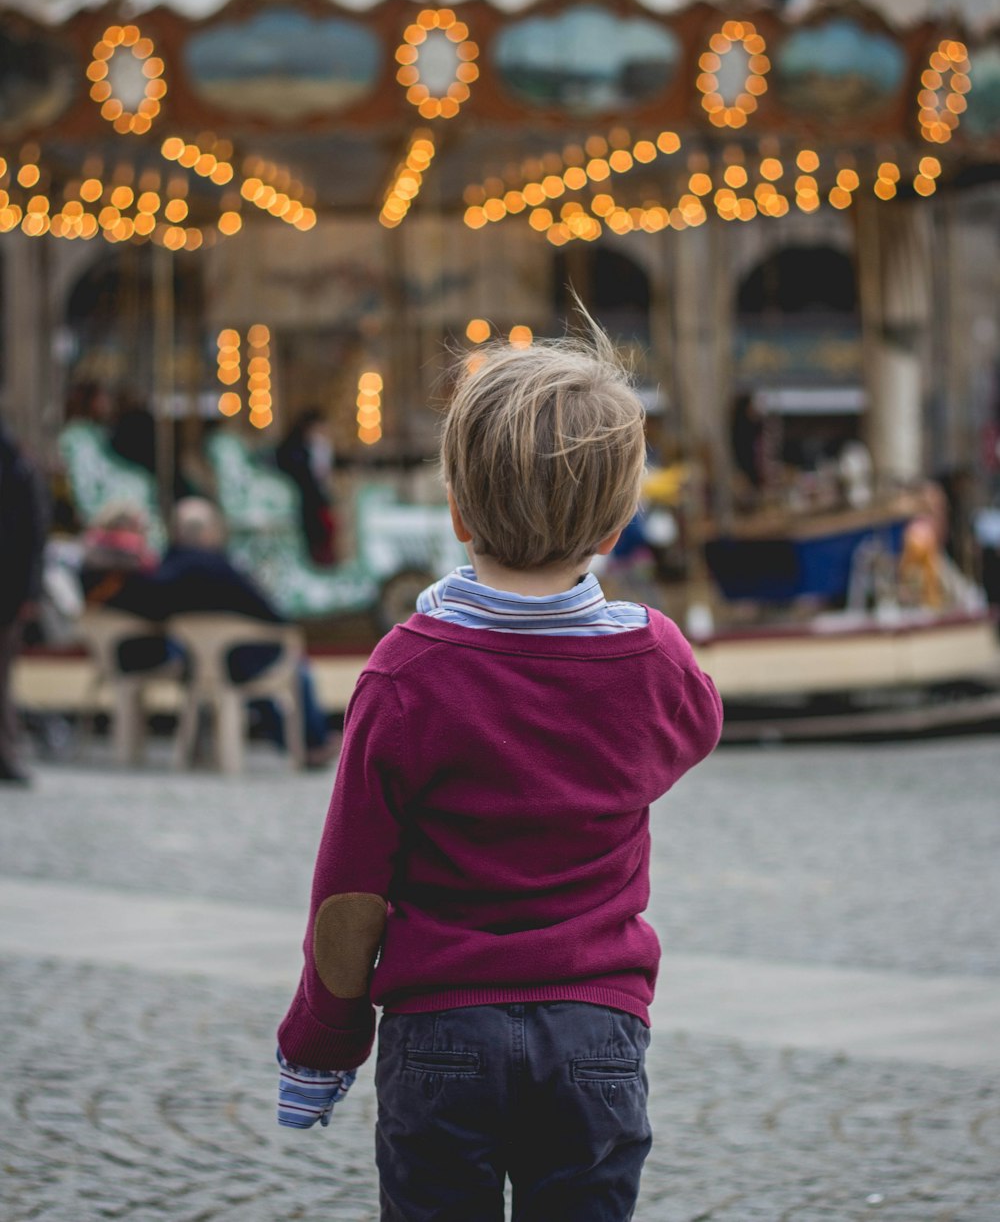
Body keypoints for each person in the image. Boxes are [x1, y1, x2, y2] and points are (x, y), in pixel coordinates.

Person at [274, 318, 723, 1219]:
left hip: (441, 1031)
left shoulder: (407, 668)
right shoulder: (651, 658)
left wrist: (321, 1041)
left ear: (456, 509)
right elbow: (695, 729)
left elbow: (350, 887)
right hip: (597, 1026)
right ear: (619, 518)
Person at [106, 498, 338, 765]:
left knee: (245, 672)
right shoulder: (223, 568)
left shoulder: (163, 571)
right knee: (297, 668)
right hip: (238, 662)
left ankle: (296, 744)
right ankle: (311, 743)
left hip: (194, 664)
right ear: (208, 532)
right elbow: (273, 617)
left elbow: (153, 612)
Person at [0, 417, 50, 784]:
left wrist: (29, 591)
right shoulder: (18, 462)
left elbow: (31, 533)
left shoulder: (16, 463)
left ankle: (5, 751)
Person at [276, 409, 337, 566]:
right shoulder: (296, 450)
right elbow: (309, 480)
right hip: (305, 504)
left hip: (311, 502)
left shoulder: (311, 448)